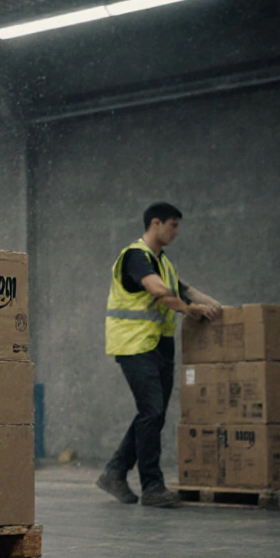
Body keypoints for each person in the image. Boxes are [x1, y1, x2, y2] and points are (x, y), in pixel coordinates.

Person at [97, 202, 222, 508]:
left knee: (152, 414)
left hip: (159, 347)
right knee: (151, 411)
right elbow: (157, 291)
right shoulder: (136, 257)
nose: (176, 232)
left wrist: (223, 310)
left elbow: (184, 289)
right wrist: (189, 310)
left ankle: (114, 472)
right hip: (134, 346)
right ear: (156, 223)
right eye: (173, 225)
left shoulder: (161, 261)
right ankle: (152, 486)